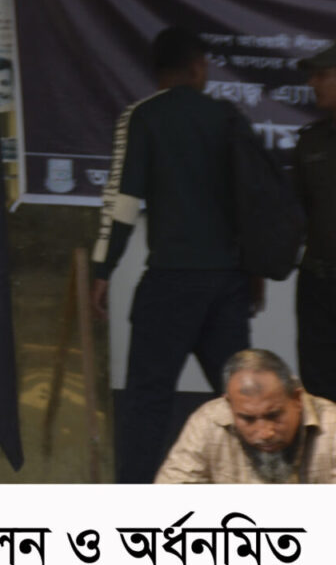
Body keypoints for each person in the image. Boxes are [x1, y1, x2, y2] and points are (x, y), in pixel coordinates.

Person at [92, 25, 256, 484]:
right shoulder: (227, 117)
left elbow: (123, 203)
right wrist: (255, 272)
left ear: (157, 70)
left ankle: (134, 503)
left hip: (169, 281)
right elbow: (252, 200)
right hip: (227, 283)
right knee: (245, 399)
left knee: (147, 402)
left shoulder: (143, 117)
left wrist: (103, 269)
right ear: (198, 67)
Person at [155, 348, 336, 484]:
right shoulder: (208, 421)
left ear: (297, 399)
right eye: (248, 419)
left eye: (274, 415)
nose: (265, 433)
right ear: (229, 406)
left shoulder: (331, 425)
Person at [292, 42, 336, 399]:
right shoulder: (311, 142)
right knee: (319, 392)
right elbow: (298, 212)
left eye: (322, 75)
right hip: (319, 285)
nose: (312, 83)